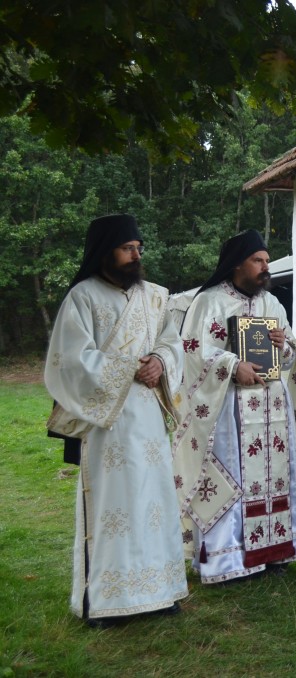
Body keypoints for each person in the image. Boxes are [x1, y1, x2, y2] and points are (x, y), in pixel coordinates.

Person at [44, 214, 187, 626]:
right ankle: (109, 600)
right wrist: (129, 368)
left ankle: (159, 592)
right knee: (116, 505)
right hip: (108, 423)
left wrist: (160, 361)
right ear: (105, 251)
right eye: (128, 249)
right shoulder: (83, 297)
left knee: (155, 502)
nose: (136, 255)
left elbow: (171, 342)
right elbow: (70, 360)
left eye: (139, 248)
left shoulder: (155, 297)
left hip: (149, 420)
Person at [173, 229, 296, 583]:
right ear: (237, 264)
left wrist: (284, 347)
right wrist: (233, 365)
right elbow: (193, 351)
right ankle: (230, 559)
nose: (266, 267)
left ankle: (276, 549)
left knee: (276, 478)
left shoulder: (272, 304)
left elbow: (290, 352)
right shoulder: (209, 301)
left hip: (272, 409)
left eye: (267, 260)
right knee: (233, 477)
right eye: (258, 261)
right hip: (229, 411)